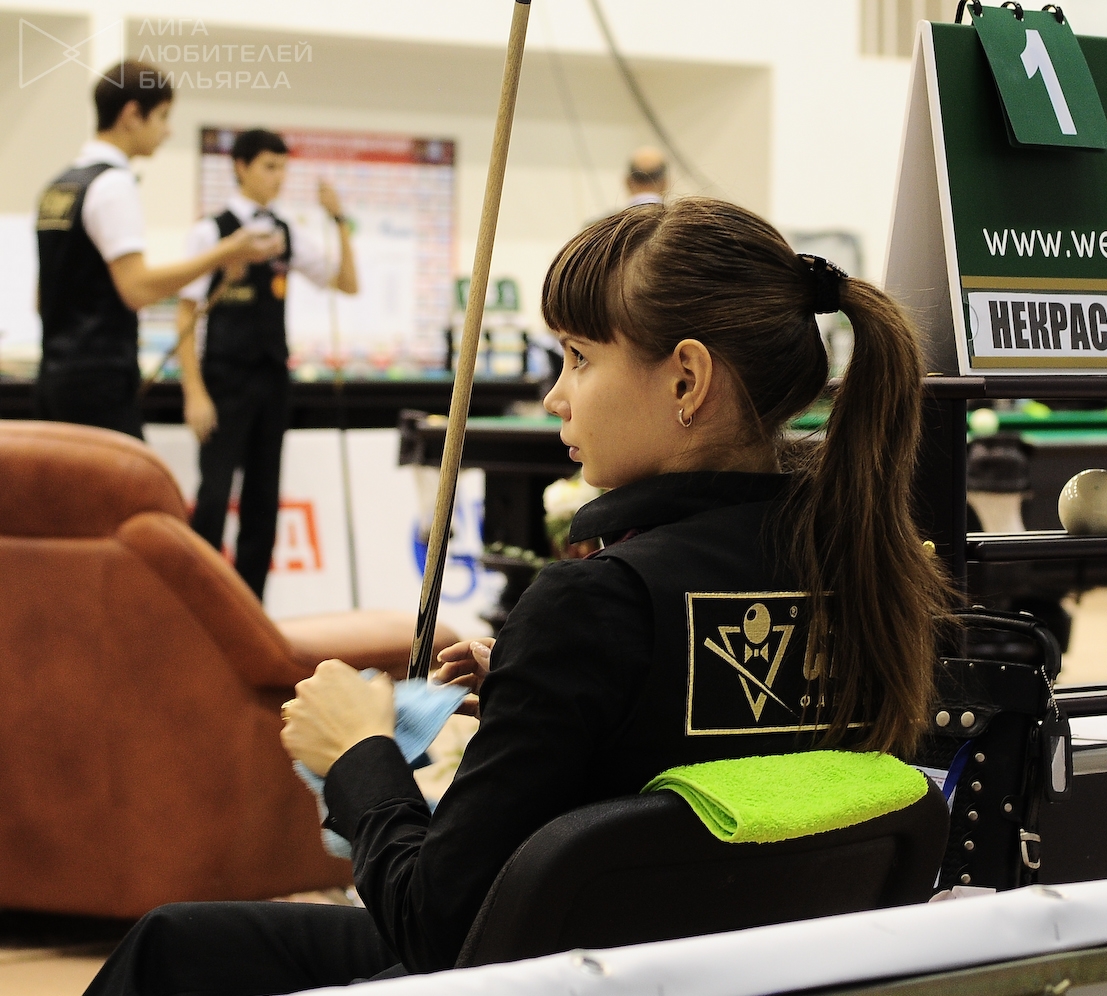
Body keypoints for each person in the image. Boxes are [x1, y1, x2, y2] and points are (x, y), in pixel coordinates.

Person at [83, 197, 953, 995]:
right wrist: (540, 691)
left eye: (580, 358)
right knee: (177, 943)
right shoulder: (868, 570)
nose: (555, 395)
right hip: (721, 970)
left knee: (169, 956)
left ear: (687, 380)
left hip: (559, 978)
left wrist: (359, 754)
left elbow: (436, 929)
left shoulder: (599, 604)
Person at [34, 61, 281, 439]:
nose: (168, 131)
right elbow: (137, 289)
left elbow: (41, 298)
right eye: (163, 116)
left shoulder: (59, 186)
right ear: (132, 115)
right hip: (98, 382)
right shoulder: (113, 185)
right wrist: (225, 252)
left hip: (54, 377)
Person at [177, 129, 359, 600]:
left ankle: (251, 609)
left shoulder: (285, 232)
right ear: (241, 167)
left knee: (263, 500)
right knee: (214, 496)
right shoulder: (211, 231)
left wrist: (338, 219)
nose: (278, 178)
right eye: (269, 167)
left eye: (283, 168)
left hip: (273, 377)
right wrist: (194, 392)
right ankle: (198, 604)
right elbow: (186, 316)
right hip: (223, 379)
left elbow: (346, 282)